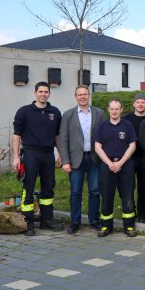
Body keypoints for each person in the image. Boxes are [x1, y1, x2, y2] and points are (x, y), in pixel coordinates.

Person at [12, 81, 63, 236]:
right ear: (35, 93)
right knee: (28, 187)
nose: (43, 94)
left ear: (49, 93)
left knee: (48, 187)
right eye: (40, 91)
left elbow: (57, 136)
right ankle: (27, 223)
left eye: (46, 92)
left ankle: (46, 220)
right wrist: (16, 157)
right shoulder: (24, 112)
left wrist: (60, 154)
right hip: (30, 153)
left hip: (48, 154)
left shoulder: (55, 112)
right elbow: (16, 136)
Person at [60, 85, 106, 234]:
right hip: (75, 160)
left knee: (95, 191)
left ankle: (94, 220)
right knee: (75, 191)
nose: (83, 97)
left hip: (94, 158)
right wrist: (65, 161)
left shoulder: (99, 113)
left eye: (85, 94)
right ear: (76, 97)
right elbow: (64, 140)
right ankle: (75, 221)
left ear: (89, 95)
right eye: (79, 95)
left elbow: (105, 136)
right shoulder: (68, 115)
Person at [94, 99, 137, 238]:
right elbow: (97, 147)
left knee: (128, 195)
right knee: (106, 195)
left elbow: (132, 146)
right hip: (107, 166)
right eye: (112, 109)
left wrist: (120, 163)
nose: (114, 111)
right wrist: (109, 163)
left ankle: (129, 226)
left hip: (125, 165)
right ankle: (106, 226)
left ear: (121, 110)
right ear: (108, 109)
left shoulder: (128, 125)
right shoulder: (102, 126)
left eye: (117, 109)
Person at [123, 93, 145, 223]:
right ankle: (130, 211)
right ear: (134, 104)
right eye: (138, 102)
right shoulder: (126, 119)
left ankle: (142, 213)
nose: (140, 104)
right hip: (130, 158)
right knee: (129, 186)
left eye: (143, 102)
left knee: (143, 187)